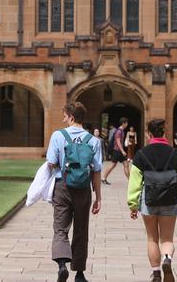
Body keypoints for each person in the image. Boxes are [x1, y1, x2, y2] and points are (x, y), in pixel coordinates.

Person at [127, 119, 177, 282]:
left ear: (149, 134)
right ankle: (167, 258)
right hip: (170, 201)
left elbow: (134, 183)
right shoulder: (175, 154)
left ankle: (156, 273)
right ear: (164, 134)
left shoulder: (141, 154)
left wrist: (133, 204)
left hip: (149, 201)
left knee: (152, 238)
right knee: (167, 239)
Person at [46, 102, 102, 282]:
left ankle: (62, 265)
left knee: (61, 228)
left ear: (71, 117)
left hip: (62, 185)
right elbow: (97, 171)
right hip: (83, 188)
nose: (63, 120)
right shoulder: (93, 140)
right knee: (81, 229)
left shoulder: (58, 135)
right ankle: (79, 274)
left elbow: (52, 161)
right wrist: (98, 197)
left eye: (65, 116)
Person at [101, 117, 130, 184]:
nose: (127, 124)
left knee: (125, 164)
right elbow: (118, 141)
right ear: (123, 123)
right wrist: (122, 151)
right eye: (126, 123)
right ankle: (104, 178)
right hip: (117, 151)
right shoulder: (119, 131)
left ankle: (130, 181)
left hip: (119, 151)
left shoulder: (121, 130)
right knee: (113, 164)